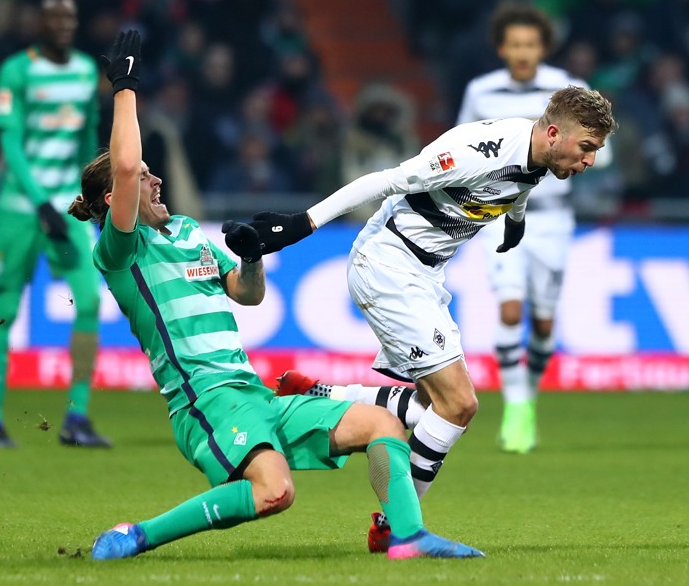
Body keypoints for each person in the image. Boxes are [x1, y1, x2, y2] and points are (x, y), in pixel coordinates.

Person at [72, 30, 482, 561]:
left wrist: (250, 257)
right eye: (146, 179)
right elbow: (126, 166)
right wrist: (125, 86)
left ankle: (407, 538)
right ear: (114, 200)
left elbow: (247, 296)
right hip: (204, 400)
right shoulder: (123, 251)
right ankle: (137, 535)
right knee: (275, 494)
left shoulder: (189, 232)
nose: (154, 183)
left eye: (152, 176)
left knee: (383, 425)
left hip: (252, 392)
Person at [229, 78, 616, 546]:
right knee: (460, 404)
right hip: (390, 265)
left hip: (424, 273)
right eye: (587, 147)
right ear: (554, 134)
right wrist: (301, 223)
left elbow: (521, 183)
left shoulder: (539, 157)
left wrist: (515, 220)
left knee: (434, 407)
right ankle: (398, 530)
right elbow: (386, 179)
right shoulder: (477, 150)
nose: (590, 161)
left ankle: (325, 395)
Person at [455, 4, 605, 454]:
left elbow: (602, 149)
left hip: (553, 217)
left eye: (531, 44)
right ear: (503, 48)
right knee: (509, 311)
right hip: (497, 214)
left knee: (543, 321)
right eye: (515, 44)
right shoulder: (481, 91)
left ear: (543, 47)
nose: (523, 52)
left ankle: (530, 398)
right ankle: (516, 407)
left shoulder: (569, 92)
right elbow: (464, 143)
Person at [0, 0, 109, 448]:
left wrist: (90, 199)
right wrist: (40, 203)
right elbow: (12, 146)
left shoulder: (83, 73)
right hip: (20, 210)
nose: (63, 23)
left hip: (67, 209)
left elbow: (86, 143)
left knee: (90, 302)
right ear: (38, 22)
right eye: (54, 16)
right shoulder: (16, 71)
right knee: (6, 310)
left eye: (70, 16)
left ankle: (76, 418)